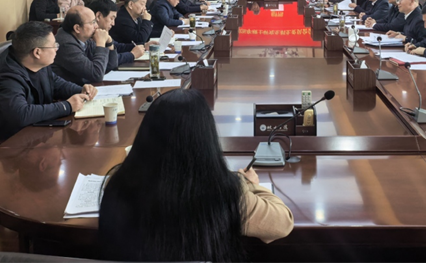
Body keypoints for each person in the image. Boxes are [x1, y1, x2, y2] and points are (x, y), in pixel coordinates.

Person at [99, 89, 294, 263]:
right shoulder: (227, 194)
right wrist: (247, 184)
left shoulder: (118, 182)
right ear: (206, 139)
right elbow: (283, 222)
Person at [0, 21, 95, 140]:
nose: (57, 49)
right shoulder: (5, 78)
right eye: (53, 46)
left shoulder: (37, 64)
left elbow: (57, 84)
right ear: (37, 52)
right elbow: (21, 115)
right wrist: (66, 106)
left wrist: (81, 90)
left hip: (28, 136)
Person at [52, 6, 118, 85]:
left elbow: (111, 66)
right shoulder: (66, 44)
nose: (96, 26)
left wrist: (109, 43)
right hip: (72, 90)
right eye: (92, 22)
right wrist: (100, 44)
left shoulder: (84, 37)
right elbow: (96, 75)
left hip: (85, 87)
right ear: (77, 28)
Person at [89, 0, 147, 66]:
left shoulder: (101, 32)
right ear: (98, 16)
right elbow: (106, 61)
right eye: (111, 18)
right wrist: (132, 55)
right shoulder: (87, 37)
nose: (113, 23)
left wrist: (143, 46)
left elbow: (117, 46)